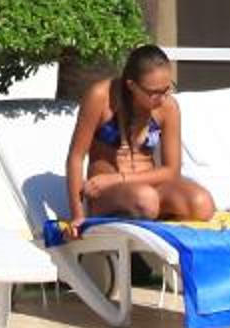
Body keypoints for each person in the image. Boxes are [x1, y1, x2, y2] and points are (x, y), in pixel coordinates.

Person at [61, 44, 215, 237]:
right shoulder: (101, 97)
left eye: (166, 89)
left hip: (145, 187)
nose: (162, 98)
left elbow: (172, 171)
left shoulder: (168, 107)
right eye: (154, 93)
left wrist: (119, 178)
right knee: (146, 199)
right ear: (132, 86)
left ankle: (154, 221)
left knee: (202, 203)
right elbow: (76, 157)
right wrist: (77, 215)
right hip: (107, 192)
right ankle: (146, 214)